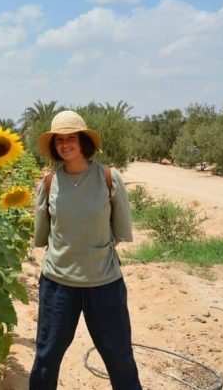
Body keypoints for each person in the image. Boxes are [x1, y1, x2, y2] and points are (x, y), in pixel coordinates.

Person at [30, 110, 142, 390]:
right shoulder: (49, 183)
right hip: (58, 286)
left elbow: (119, 231)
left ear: (83, 141)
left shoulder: (108, 178)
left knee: (120, 359)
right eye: (59, 140)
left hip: (104, 285)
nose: (65, 145)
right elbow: (43, 236)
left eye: (71, 138)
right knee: (46, 359)